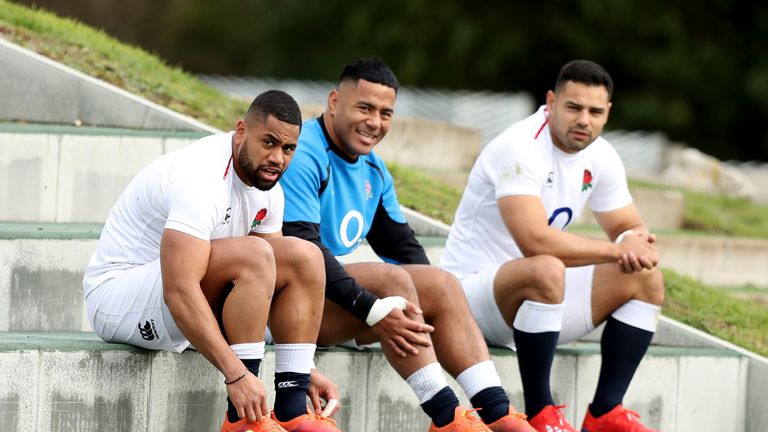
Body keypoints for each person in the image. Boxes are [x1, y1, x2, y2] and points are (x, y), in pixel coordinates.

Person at [278, 57, 535, 432]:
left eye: (385, 113)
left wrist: (434, 302)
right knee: (391, 281)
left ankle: (496, 412)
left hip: (324, 301)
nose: (375, 122)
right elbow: (306, 253)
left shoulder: (374, 170)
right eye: (365, 108)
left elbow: (406, 251)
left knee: (440, 283)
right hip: (281, 310)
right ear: (334, 102)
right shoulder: (303, 153)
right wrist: (373, 309)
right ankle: (446, 416)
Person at [82, 90, 342, 432]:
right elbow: (179, 290)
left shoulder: (270, 190)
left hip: (178, 295)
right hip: (119, 302)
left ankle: (292, 411)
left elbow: (277, 282)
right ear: (241, 131)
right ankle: (243, 420)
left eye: (288, 148)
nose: (277, 158)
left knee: (304, 256)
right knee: (256, 254)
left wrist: (302, 368)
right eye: (269, 143)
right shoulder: (201, 176)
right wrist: (237, 375)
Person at [441, 60, 664, 432]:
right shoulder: (519, 146)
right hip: (471, 302)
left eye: (595, 112)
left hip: (539, 306)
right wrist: (618, 250)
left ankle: (605, 412)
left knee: (646, 277)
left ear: (608, 112)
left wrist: (634, 242)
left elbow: (627, 225)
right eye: (574, 107)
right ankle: (540, 411)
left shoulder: (601, 154)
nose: (584, 120)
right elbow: (534, 241)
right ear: (551, 102)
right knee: (545, 266)